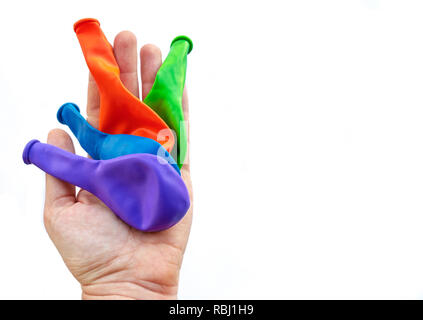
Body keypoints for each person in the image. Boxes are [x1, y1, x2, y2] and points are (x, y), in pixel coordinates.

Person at [43, 31, 193, 299]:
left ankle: (90, 34)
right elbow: (80, 167)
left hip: (149, 150)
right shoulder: (123, 169)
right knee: (157, 92)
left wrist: (37, 150)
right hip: (160, 150)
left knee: (114, 91)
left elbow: (81, 165)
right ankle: (177, 48)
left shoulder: (110, 165)